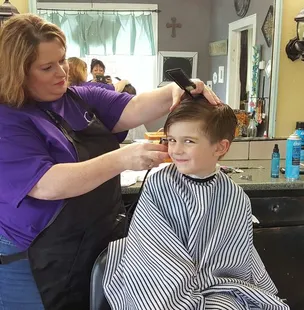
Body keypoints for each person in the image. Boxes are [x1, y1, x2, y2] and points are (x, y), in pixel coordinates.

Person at [0, 13, 220, 310]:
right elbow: (46, 184)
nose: (62, 72)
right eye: (47, 67)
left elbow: (136, 106)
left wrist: (175, 90)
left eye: (62, 61)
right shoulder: (8, 118)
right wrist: (123, 158)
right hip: (34, 260)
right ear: (18, 72)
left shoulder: (80, 98)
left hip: (93, 245)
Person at [103, 95, 289, 309]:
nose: (176, 150)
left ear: (220, 147)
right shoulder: (159, 186)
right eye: (171, 140)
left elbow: (238, 260)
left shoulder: (235, 197)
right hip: (160, 284)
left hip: (218, 285)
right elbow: (154, 255)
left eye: (188, 141)